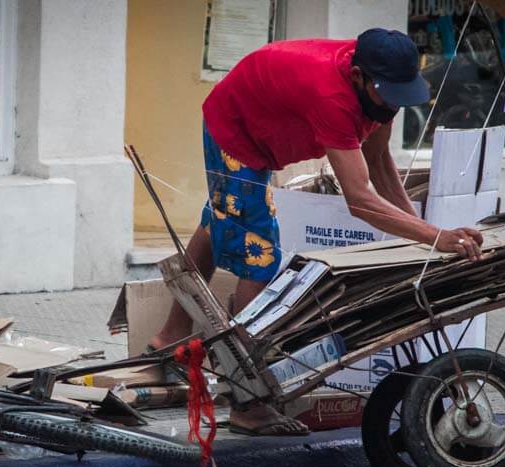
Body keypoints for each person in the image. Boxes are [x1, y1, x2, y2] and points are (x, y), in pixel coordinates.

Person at [148, 28, 484, 436]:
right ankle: (245, 399)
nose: (394, 103)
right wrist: (434, 237)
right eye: (388, 94)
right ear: (359, 76)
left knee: (221, 218)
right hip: (235, 129)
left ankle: (168, 339)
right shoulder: (334, 97)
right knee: (259, 256)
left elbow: (378, 163)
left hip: (263, 126)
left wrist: (431, 233)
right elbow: (359, 199)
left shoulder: (381, 95)